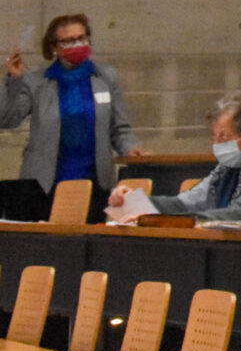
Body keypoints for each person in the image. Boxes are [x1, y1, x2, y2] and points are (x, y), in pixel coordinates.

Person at [1, 14, 144, 222]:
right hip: (45, 183)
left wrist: (130, 148)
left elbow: (120, 128)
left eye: (81, 38)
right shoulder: (36, 82)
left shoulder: (106, 77)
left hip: (96, 180)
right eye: (68, 41)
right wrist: (14, 81)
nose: (77, 44)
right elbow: (7, 120)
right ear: (54, 47)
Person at [112, 95, 241, 231]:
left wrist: (157, 219)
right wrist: (135, 203)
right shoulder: (235, 164)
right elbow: (185, 203)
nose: (217, 145)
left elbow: (237, 216)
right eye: (214, 137)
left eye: (224, 138)